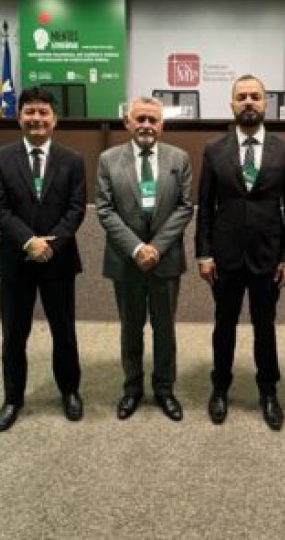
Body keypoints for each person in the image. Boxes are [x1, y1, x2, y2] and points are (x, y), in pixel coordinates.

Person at [195, 74, 285, 431]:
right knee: (223, 326)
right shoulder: (214, 149)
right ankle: (220, 388)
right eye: (241, 97)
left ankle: (268, 391)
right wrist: (203, 253)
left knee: (264, 327)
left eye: (255, 96)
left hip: (268, 257)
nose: (248, 102)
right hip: (224, 257)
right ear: (232, 104)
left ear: (266, 103)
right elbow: (205, 206)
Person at [0, 86, 86, 432]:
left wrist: (49, 244)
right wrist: (29, 242)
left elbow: (75, 209)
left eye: (43, 112)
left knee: (64, 332)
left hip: (59, 260)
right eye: (30, 112)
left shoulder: (73, 160)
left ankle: (70, 391)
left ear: (54, 119)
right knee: (14, 335)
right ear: (19, 117)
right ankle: (13, 399)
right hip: (16, 260)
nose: (36, 118)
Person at [95, 96, 193, 422]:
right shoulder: (108, 160)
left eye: (153, 119)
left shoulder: (179, 158)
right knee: (131, 328)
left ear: (162, 124)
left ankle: (165, 389)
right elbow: (105, 210)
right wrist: (137, 248)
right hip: (126, 260)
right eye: (140, 119)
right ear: (128, 123)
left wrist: (157, 248)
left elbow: (185, 207)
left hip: (166, 260)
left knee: (165, 330)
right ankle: (132, 389)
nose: (147, 125)